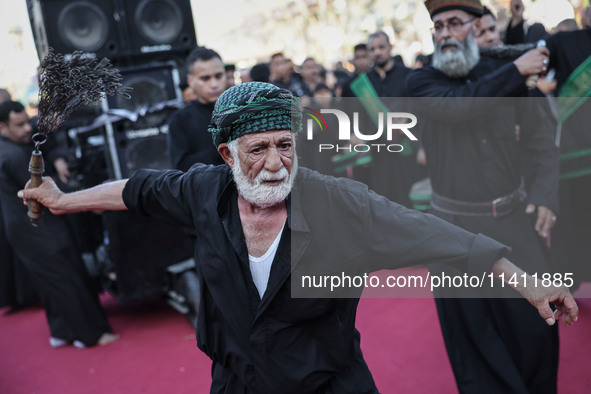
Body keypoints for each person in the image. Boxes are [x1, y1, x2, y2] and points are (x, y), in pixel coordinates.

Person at [19, 82, 578, 393]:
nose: (273, 163)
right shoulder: (202, 190)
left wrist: (525, 281)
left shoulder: (341, 202)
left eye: (284, 145)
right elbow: (135, 189)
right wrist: (66, 201)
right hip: (238, 383)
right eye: (256, 150)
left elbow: (442, 236)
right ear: (227, 155)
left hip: (327, 386)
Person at [407, 1, 563, 392]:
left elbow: (541, 140)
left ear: (475, 29)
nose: (444, 33)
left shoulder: (505, 75)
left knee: (537, 332)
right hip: (451, 235)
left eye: (454, 23)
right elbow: (459, 107)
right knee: (476, 348)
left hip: (514, 225)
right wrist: (515, 69)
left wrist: (545, 193)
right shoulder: (422, 82)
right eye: (438, 26)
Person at [0, 100, 117, 348]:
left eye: (25, 122)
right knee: (65, 278)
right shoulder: (11, 154)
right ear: (2, 127)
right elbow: (46, 189)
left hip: (27, 228)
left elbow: (51, 143)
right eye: (18, 125)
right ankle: (90, 335)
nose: (25, 130)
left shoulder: (11, 148)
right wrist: (91, 200)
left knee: (50, 281)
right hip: (37, 229)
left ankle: (61, 331)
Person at [168, 47, 227, 172]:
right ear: (191, 81)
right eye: (205, 78)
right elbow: (181, 166)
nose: (214, 84)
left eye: (218, 76)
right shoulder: (180, 120)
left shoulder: (243, 110)